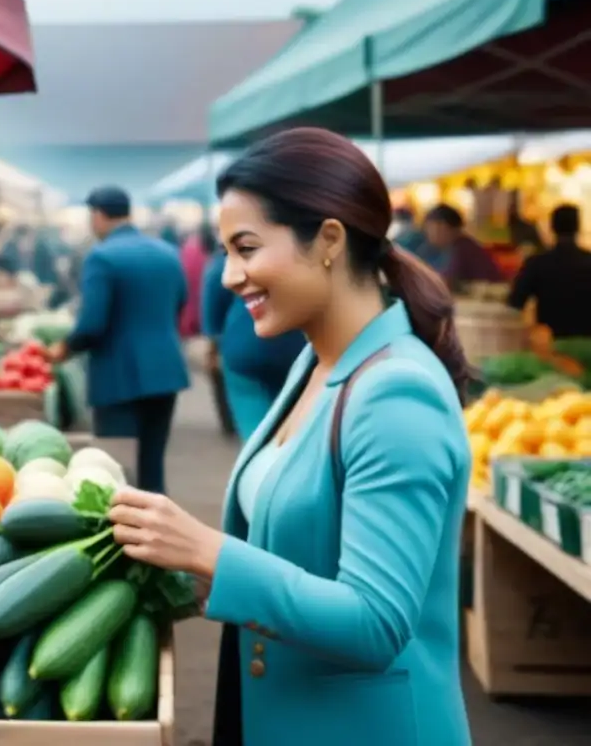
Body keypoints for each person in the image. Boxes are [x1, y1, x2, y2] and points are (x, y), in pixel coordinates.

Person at [106, 128, 472, 746]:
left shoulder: (396, 395)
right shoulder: (317, 363)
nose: (228, 277)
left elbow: (376, 622)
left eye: (246, 248)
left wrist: (210, 553)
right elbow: (296, 551)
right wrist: (180, 573)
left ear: (328, 240)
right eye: (225, 252)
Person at [47, 186, 189, 493]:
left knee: (118, 467)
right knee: (152, 464)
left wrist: (65, 348)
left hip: (118, 375)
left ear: (98, 215)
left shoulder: (102, 256)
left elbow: (92, 324)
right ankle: (157, 532)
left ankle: (127, 536)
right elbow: (181, 301)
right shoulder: (167, 252)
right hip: (166, 369)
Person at [201, 247, 305, 442]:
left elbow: (213, 310)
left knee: (256, 436)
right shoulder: (299, 252)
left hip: (245, 350)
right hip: (299, 348)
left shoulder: (225, 262)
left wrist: (212, 348)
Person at [508, 204, 591, 338]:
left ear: (552, 228)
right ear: (578, 228)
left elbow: (515, 302)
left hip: (551, 346)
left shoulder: (537, 263)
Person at [422, 203, 504, 290]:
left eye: (434, 228)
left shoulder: (463, 249)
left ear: (452, 229)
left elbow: (446, 282)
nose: (430, 234)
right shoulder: (456, 246)